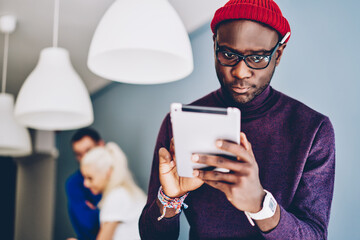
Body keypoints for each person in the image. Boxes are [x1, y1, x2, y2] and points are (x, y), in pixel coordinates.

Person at [139, 0, 335, 239]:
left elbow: (315, 235)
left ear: (279, 54)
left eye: (258, 58)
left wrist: (260, 205)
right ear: (214, 46)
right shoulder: (178, 122)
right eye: (228, 54)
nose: (241, 72)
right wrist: (170, 198)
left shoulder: (313, 129)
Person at [80, 142, 146, 240]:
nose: (85, 184)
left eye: (90, 178)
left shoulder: (116, 197)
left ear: (108, 172)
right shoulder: (125, 193)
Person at [66, 128, 105, 240]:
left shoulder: (115, 179)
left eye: (89, 151)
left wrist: (95, 210)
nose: (84, 158)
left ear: (101, 145)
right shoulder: (74, 183)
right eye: (79, 154)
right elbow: (88, 224)